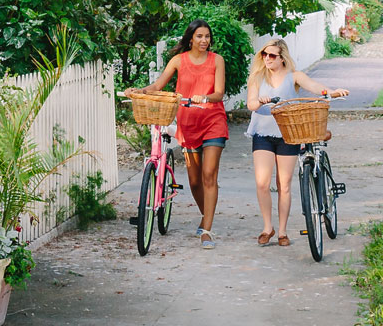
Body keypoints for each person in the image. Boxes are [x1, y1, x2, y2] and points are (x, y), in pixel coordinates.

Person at [129, 19, 228, 249]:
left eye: (207, 36)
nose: (204, 41)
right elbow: (158, 85)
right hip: (188, 123)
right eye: (200, 36)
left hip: (213, 120)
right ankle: (207, 216)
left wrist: (205, 97)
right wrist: (139, 91)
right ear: (190, 38)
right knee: (194, 181)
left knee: (209, 175)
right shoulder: (178, 61)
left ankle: (207, 230)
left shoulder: (217, 60)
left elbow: (220, 93)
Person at [246, 38, 349, 247]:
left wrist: (330, 92)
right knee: (262, 183)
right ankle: (268, 227)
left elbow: (314, 86)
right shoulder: (256, 77)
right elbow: (251, 104)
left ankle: (282, 231)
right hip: (262, 133)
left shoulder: (295, 76)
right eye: (264, 55)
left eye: (272, 55)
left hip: (288, 134)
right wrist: (260, 101)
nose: (267, 59)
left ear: (282, 58)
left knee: (284, 185)